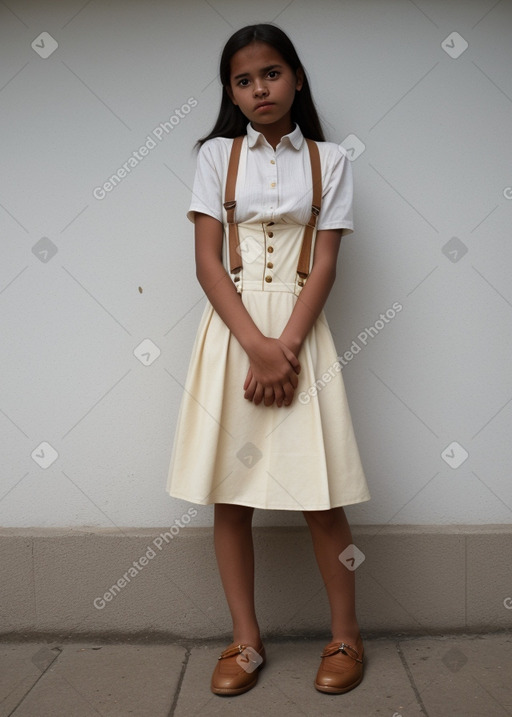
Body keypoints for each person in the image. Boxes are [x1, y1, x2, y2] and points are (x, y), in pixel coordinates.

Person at [166, 23, 371, 696]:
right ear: (231, 90)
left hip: (301, 332)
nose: (259, 88)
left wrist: (286, 348)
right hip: (233, 332)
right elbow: (205, 261)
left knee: (322, 492)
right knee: (232, 494)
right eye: (243, 79)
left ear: (297, 78)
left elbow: (328, 265)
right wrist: (255, 344)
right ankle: (244, 639)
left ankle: (345, 632)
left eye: (272, 73)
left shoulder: (332, 160)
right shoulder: (215, 157)